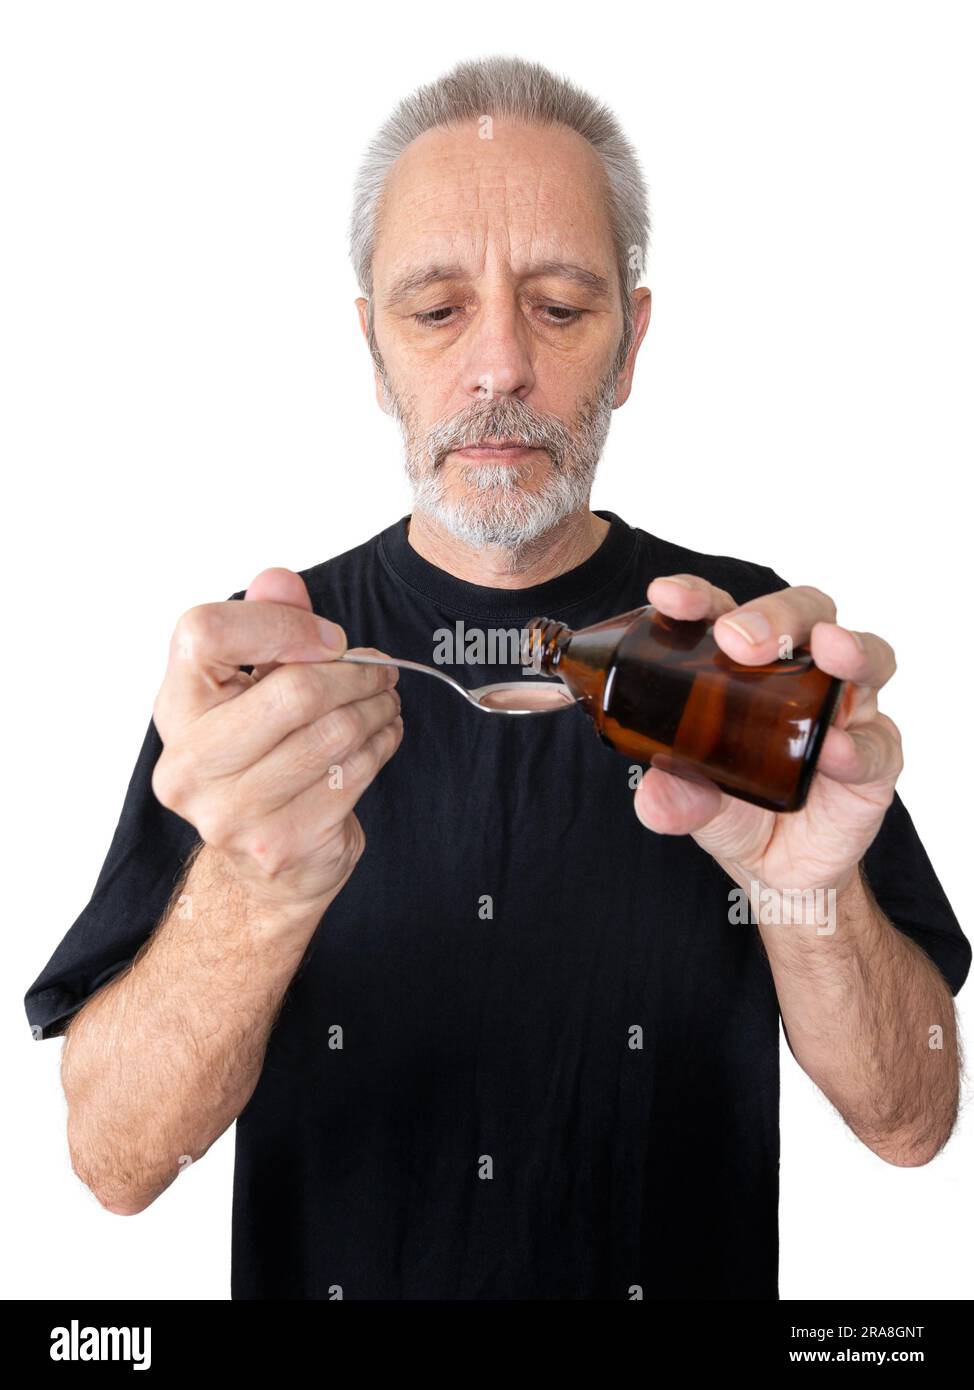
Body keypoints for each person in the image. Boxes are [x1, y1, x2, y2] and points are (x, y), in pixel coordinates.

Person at [25, 55, 969, 1301]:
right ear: (371, 347)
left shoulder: (743, 657)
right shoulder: (268, 668)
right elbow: (112, 1161)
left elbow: (911, 1121)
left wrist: (808, 893)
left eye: (561, 306)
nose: (498, 366)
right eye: (435, 310)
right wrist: (252, 901)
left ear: (631, 344)